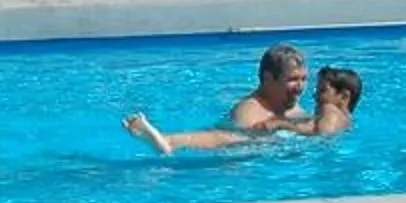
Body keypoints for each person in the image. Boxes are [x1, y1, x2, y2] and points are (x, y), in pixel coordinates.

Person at [124, 62, 364, 156]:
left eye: (322, 91)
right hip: (296, 148)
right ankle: (169, 141)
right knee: (231, 141)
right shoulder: (342, 116)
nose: (313, 93)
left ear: (343, 96)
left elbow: (321, 132)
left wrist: (281, 124)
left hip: (297, 147)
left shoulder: (332, 113)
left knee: (226, 139)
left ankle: (170, 141)